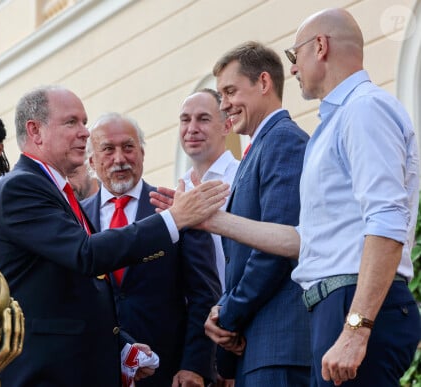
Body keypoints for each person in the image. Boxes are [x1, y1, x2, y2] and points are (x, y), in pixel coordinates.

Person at [154, 8, 421, 387]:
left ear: (321, 47)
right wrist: (211, 220)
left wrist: (357, 328)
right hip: (334, 304)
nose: (292, 69)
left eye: (295, 57)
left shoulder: (364, 109)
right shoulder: (334, 124)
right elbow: (301, 239)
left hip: (353, 302)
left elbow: (387, 220)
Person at [0, 85, 229, 386]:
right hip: (45, 374)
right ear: (36, 131)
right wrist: (174, 218)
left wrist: (122, 347)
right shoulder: (21, 188)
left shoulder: (56, 192)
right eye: (71, 122)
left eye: (84, 122)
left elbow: (78, 291)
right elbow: (86, 255)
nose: (84, 133)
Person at [81, 112, 221, 386]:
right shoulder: (76, 220)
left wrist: (194, 366)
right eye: (108, 149)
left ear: (142, 154)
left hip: (167, 372)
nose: (119, 158)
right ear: (92, 161)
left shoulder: (175, 208)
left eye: (128, 147)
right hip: (96, 370)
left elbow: (204, 294)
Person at [204, 41, 311, 386]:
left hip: (278, 347)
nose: (224, 106)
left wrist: (227, 316)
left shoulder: (283, 141)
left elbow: (275, 247)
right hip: (259, 348)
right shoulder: (261, 146)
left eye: (230, 91)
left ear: (264, 83)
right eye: (221, 96)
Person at [179, 88, 240, 292]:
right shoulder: (179, 190)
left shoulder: (243, 177)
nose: (192, 129)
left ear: (227, 126)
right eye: (185, 120)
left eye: (203, 119)